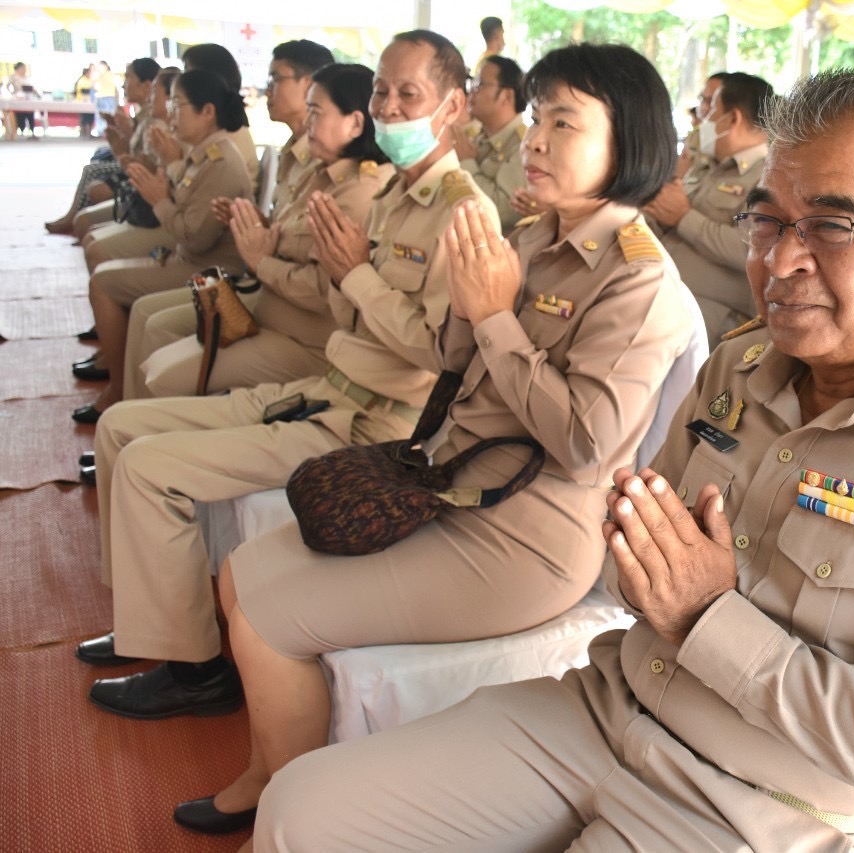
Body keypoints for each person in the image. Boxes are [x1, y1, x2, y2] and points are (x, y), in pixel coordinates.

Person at [249, 66, 854, 852]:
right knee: (301, 811)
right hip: (606, 709)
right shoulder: (741, 368)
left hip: (750, 804)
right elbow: (639, 553)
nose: (781, 262)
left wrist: (710, 619)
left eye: (830, 226)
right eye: (766, 221)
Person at [176, 42, 694, 841]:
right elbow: (452, 364)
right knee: (243, 573)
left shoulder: (637, 279)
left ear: (628, 145)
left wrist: (493, 316)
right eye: (538, 118)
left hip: (524, 536)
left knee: (271, 616)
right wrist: (469, 304)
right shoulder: (529, 236)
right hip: (448, 483)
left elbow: (588, 443)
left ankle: (283, 800)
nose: (538, 139)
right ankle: (269, 774)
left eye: (566, 122)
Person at [76, 30, 497, 727]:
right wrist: (333, 272)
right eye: (383, 92)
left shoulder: (464, 211)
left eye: (408, 95)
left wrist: (351, 272)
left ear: (452, 107)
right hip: (327, 389)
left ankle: (194, 668)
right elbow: (347, 312)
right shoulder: (394, 194)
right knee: (122, 426)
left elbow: (439, 354)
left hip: (372, 424)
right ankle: (145, 621)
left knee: (151, 467)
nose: (389, 108)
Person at [137, 64, 394, 399]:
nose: (307, 121)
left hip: (305, 342)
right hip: (268, 312)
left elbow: (323, 289)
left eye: (315, 112)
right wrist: (259, 227)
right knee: (160, 355)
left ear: (355, 123)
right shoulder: (320, 172)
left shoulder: (358, 192)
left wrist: (260, 262)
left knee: (165, 376)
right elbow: (289, 238)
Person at [115, 40, 336, 404]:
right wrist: (259, 227)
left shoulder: (331, 171)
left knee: (160, 350)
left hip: (274, 303)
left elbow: (196, 239)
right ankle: (128, 416)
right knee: (153, 326)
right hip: (262, 289)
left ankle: (137, 425)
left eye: (276, 79)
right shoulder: (294, 154)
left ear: (309, 83)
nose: (267, 89)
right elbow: (287, 232)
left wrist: (261, 253)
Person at [70, 69, 255, 424]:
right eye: (169, 104)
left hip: (212, 272)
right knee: (116, 284)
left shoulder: (220, 160)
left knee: (108, 284)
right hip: (190, 257)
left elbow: (195, 237)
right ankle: (126, 404)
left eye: (177, 104)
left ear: (208, 112)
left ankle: (123, 401)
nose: (170, 113)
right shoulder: (200, 151)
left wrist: (160, 200)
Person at [74, 43, 260, 248]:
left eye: (189, 71)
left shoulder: (224, 137)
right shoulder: (200, 130)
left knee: (95, 245)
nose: (182, 78)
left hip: (202, 237)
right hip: (181, 218)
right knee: (89, 232)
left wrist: (165, 176)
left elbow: (196, 227)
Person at [645, 72, 773, 342]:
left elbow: (751, 248)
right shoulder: (705, 164)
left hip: (707, 321)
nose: (704, 117)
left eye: (712, 106)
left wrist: (684, 218)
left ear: (733, 118)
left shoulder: (768, 177)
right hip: (656, 294)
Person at [44, 58, 162, 235]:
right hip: (136, 166)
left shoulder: (155, 117)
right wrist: (121, 132)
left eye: (128, 78)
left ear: (146, 86)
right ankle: (75, 218)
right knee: (99, 157)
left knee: (93, 171)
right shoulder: (144, 113)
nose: (123, 85)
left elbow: (144, 157)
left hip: (142, 174)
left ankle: (74, 219)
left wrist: (126, 135)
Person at [453, 55, 526, 232]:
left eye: (479, 85)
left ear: (507, 96)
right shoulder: (478, 137)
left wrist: (467, 164)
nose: (471, 92)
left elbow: (504, 211)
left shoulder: (523, 146)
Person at [6, 61, 35, 136]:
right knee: (20, 114)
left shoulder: (27, 77)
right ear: (18, 68)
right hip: (18, 98)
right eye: (23, 68)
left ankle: (32, 130)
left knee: (30, 113)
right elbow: (7, 85)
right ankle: (21, 129)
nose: (24, 70)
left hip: (28, 98)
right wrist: (12, 93)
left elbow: (32, 87)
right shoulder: (13, 76)